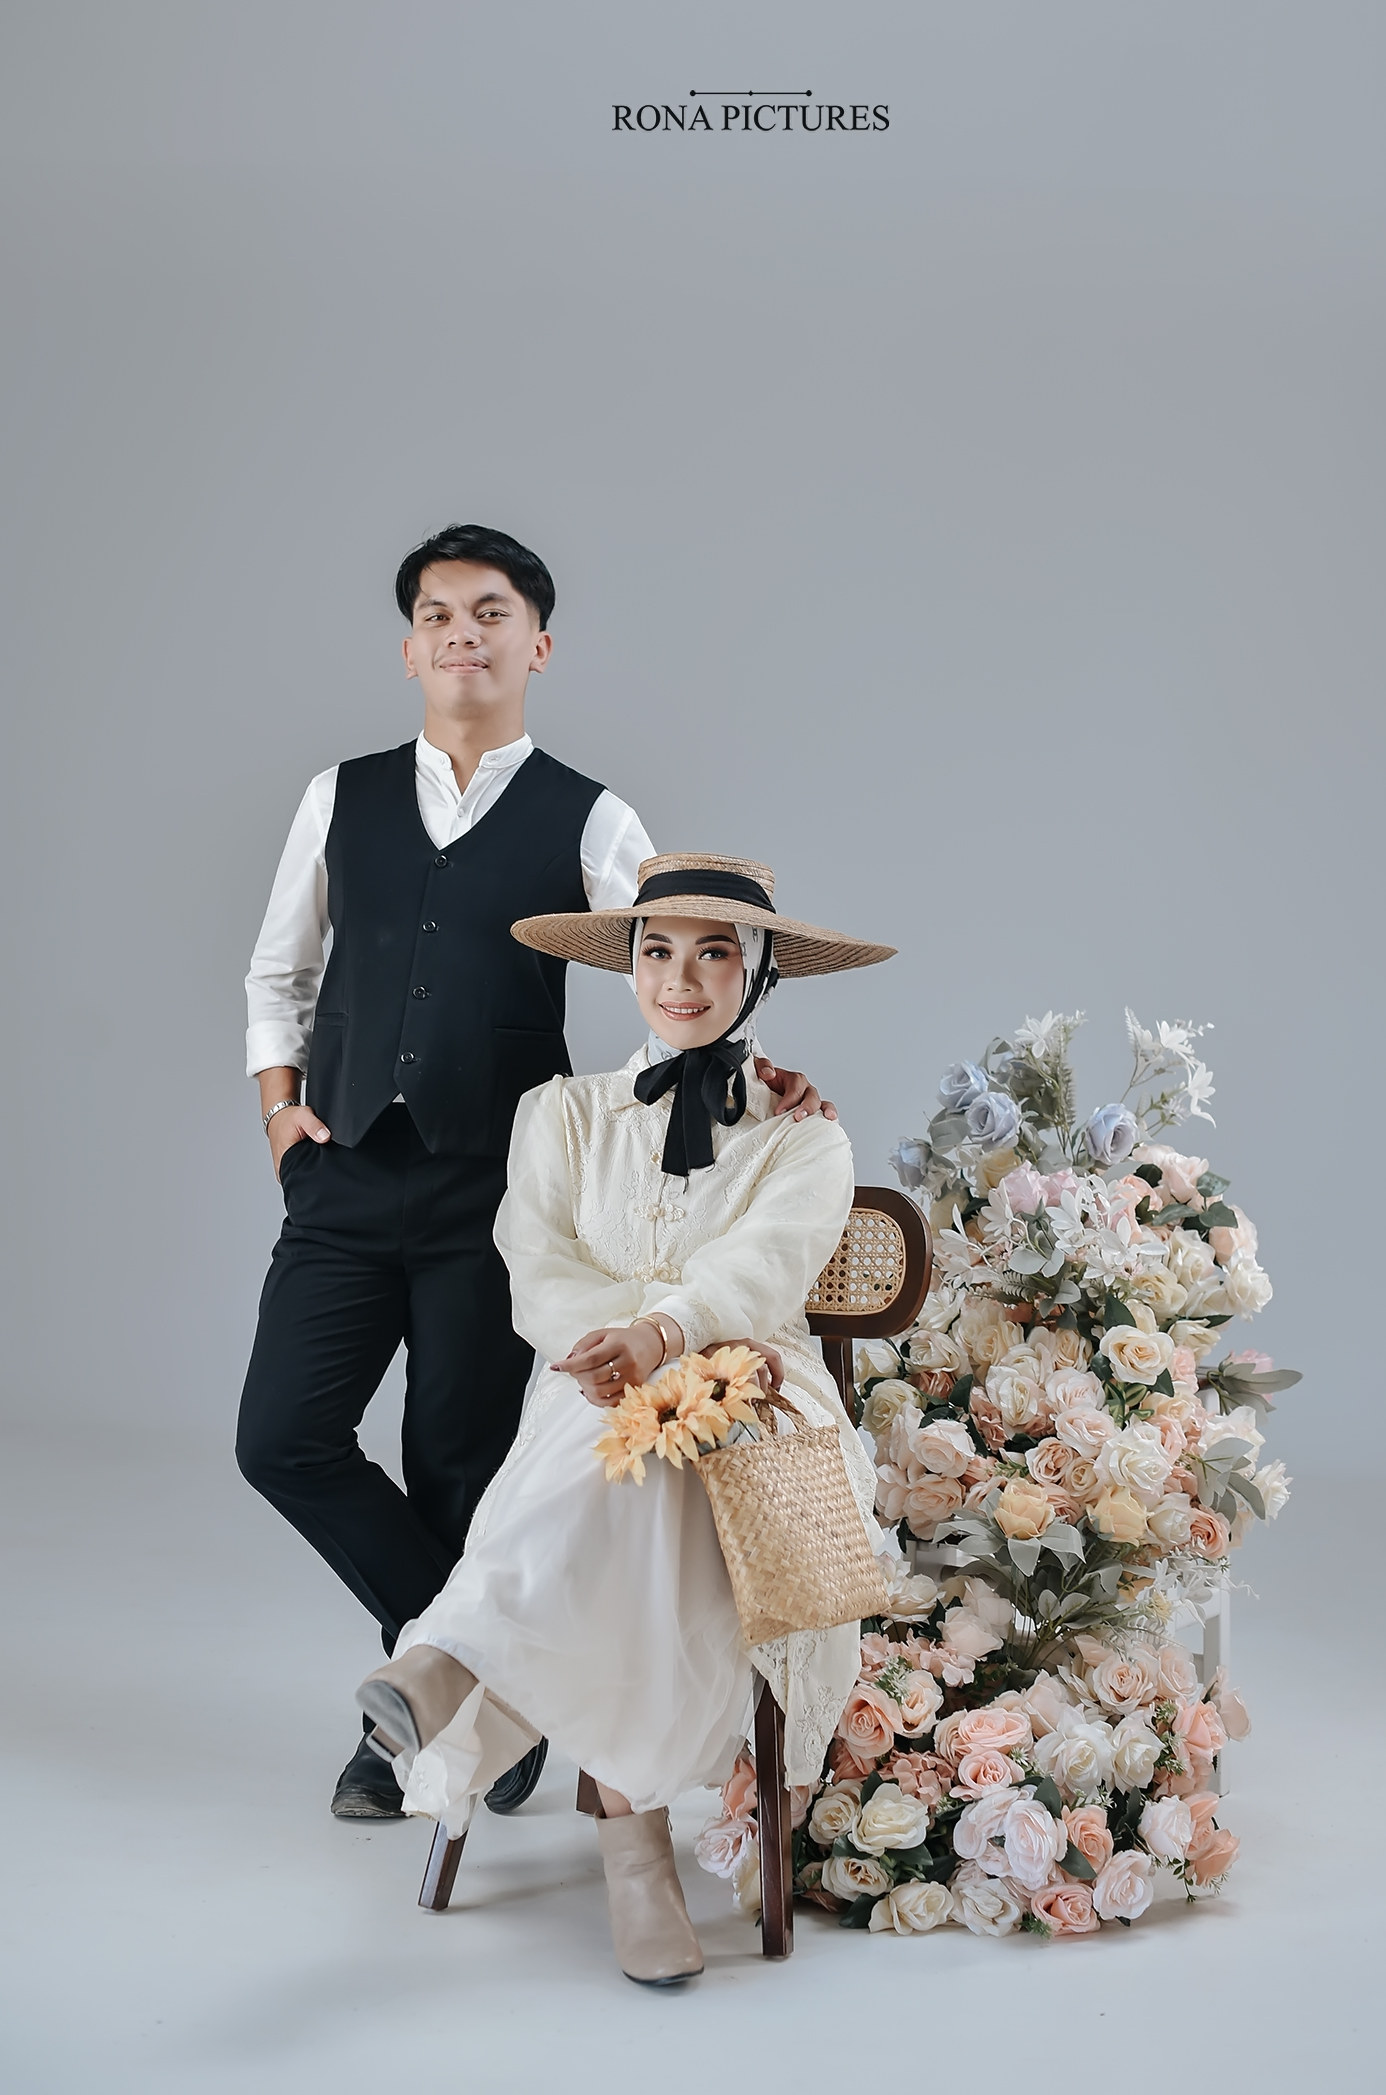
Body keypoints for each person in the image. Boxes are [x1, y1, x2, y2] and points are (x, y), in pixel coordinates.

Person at [236, 526, 833, 1821]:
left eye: (491, 612)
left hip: (494, 1193)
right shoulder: (339, 796)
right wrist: (282, 1115)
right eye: (438, 614)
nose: (464, 632)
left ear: (537, 644)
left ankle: (425, 1723)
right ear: (410, 648)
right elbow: (279, 970)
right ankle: (486, 1683)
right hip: (343, 1172)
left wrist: (751, 1071)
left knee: (457, 1458)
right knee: (281, 1436)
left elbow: (684, 962)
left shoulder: (590, 813)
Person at [354, 852, 895, 1985]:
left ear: (759, 974)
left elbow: (762, 1270)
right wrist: (626, 1349)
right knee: (628, 1443)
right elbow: (534, 1266)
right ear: (631, 966)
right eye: (657, 951)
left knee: (664, 1440)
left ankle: (453, 1665)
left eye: (714, 954)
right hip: (589, 1382)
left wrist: (666, 1334)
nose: (679, 981)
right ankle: (629, 1844)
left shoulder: (806, 1136)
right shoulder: (559, 1113)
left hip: (762, 1388)